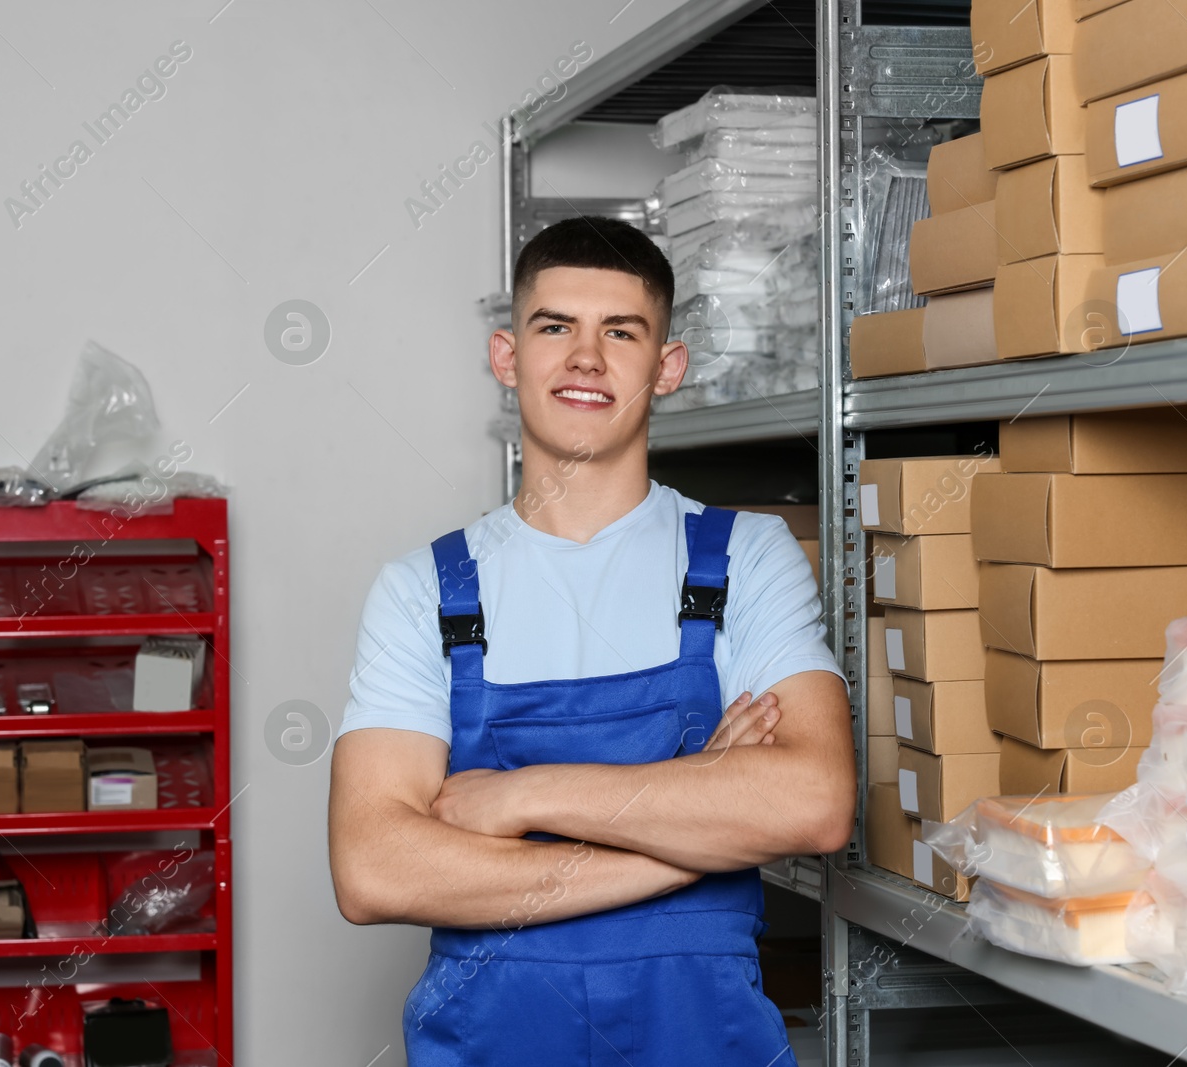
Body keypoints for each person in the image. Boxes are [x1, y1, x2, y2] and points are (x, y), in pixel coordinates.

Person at [328, 215, 855, 1066]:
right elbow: (374, 870)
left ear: (667, 367)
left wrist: (523, 796)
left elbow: (814, 803)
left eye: (621, 331)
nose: (585, 357)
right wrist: (684, 846)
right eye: (554, 327)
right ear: (507, 357)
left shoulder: (745, 557)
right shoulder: (424, 589)